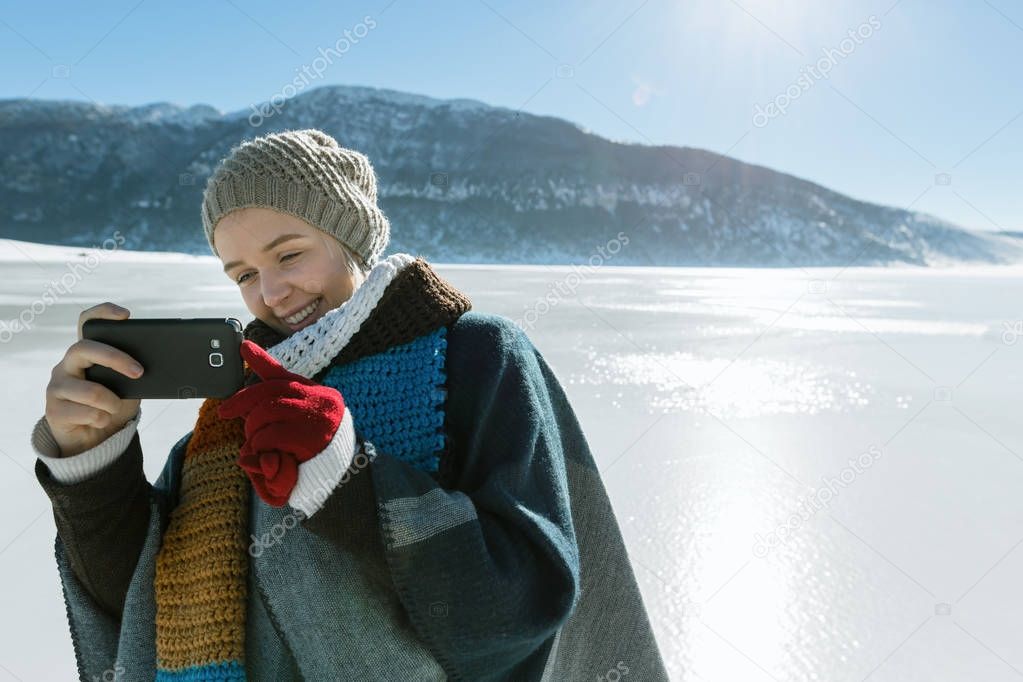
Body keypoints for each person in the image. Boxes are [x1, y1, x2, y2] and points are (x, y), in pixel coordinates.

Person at [31, 128, 669, 680]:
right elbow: (139, 607)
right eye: (244, 274)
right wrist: (93, 464)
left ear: (349, 239)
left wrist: (347, 479)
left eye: (289, 255)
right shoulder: (233, 416)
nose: (272, 293)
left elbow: (526, 603)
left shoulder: (475, 356)